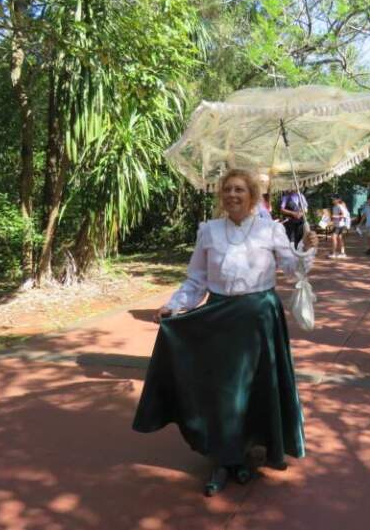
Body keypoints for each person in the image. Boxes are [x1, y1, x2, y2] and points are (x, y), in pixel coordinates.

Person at [132, 169, 318, 495]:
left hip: (260, 318)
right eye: (228, 189)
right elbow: (196, 280)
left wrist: (306, 247)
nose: (233, 195)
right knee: (222, 391)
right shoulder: (209, 231)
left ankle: (242, 454)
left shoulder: (271, 230)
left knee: (254, 389)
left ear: (253, 195)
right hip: (219, 319)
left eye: (240, 189)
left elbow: (294, 270)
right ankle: (223, 460)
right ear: (221, 195)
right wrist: (174, 306)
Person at [329, 194, 350, 259]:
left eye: (334, 199)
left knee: (334, 238)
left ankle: (334, 253)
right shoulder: (334, 207)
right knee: (340, 238)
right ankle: (342, 253)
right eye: (332, 199)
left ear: (338, 200)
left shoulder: (340, 206)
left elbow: (344, 215)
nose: (332, 200)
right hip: (336, 225)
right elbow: (334, 217)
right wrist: (331, 221)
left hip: (339, 225)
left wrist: (335, 216)